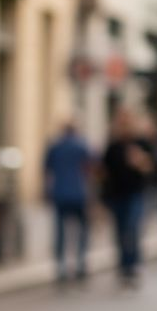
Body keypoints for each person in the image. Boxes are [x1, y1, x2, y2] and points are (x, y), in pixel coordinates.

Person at [101, 107, 157, 287]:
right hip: (117, 194)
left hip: (136, 193)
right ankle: (123, 267)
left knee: (132, 228)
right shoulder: (113, 145)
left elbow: (152, 169)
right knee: (119, 231)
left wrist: (141, 160)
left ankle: (133, 265)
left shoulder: (141, 143)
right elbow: (104, 171)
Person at [43, 120, 94, 283]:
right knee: (82, 230)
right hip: (79, 193)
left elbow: (46, 169)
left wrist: (46, 191)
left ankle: (61, 266)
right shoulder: (82, 146)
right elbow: (93, 166)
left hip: (60, 193)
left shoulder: (55, 146)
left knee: (60, 231)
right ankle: (80, 263)